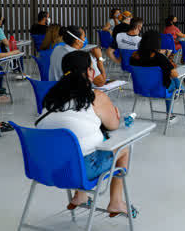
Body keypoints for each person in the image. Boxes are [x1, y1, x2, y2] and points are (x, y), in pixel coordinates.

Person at [37, 51, 130, 216]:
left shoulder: (51, 98)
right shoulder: (95, 97)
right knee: (123, 148)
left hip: (46, 167)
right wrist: (115, 113)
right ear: (89, 72)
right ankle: (116, 201)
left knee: (76, 144)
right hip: (80, 170)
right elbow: (114, 125)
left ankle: (80, 195)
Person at [130, 30, 185, 122]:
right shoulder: (159, 57)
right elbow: (175, 74)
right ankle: (182, 97)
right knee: (173, 80)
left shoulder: (134, 56)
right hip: (160, 90)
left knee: (168, 80)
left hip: (141, 89)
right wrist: (166, 57)